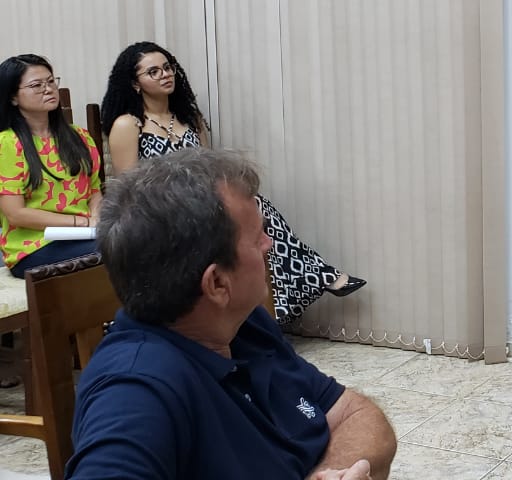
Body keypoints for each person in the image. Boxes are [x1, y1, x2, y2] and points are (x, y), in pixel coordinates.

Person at [67, 148, 396, 479]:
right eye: (257, 238)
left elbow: (357, 415)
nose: (269, 244)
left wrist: (329, 471)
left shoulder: (242, 324)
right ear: (217, 283)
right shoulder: (137, 389)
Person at [100, 42, 365, 325]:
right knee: (252, 213)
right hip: (160, 213)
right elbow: (129, 189)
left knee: (253, 209)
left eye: (167, 67)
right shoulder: (129, 125)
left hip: (200, 206)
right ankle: (316, 278)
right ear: (135, 83)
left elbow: (209, 170)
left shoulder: (190, 119)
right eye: (153, 72)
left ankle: (275, 308)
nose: (165, 74)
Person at [0, 54, 101, 278]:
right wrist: (82, 222)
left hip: (85, 235)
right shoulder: (7, 144)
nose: (48, 89)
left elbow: (94, 191)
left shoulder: (80, 136)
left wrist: (96, 218)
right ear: (13, 97)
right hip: (34, 247)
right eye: (36, 85)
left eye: (51, 81)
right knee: (115, 251)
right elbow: (16, 214)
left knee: (142, 240)